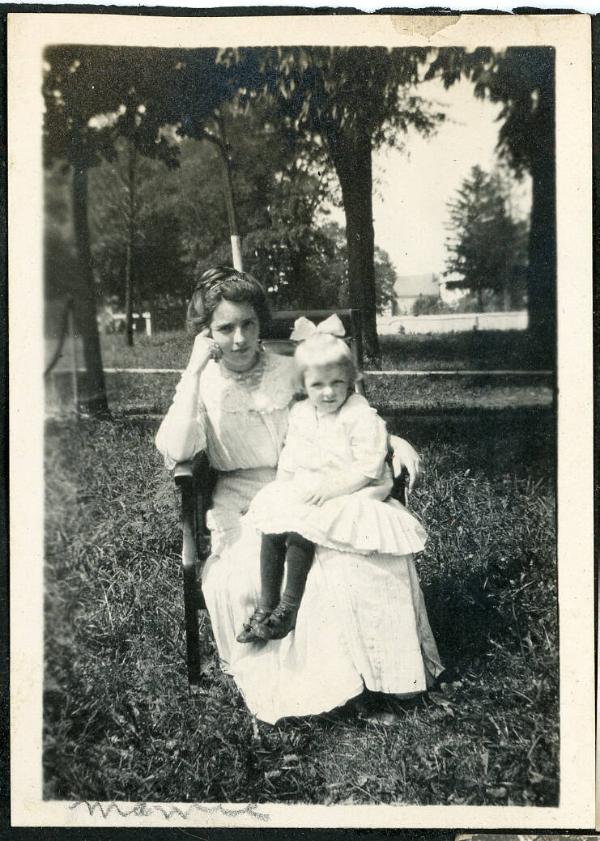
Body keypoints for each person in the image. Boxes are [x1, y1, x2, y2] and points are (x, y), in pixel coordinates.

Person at [156, 266, 443, 724]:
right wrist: (192, 372)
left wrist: (392, 441)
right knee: (269, 570)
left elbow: (341, 408)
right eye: (224, 328)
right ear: (206, 334)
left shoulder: (288, 369)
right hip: (242, 497)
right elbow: (175, 449)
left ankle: (385, 679)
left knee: (356, 553)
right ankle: (329, 688)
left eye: (248, 324)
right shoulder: (203, 383)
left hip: (312, 482)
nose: (238, 339)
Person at [237, 315, 428, 645]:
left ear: (351, 380)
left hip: (356, 487)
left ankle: (288, 607)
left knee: (303, 524)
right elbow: (292, 455)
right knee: (274, 519)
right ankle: (265, 604)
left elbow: (368, 468)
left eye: (337, 383)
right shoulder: (301, 414)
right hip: (316, 483)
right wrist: (282, 488)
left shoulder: (359, 413)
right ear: (304, 386)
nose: (328, 393)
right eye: (317, 385)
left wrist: (330, 489)